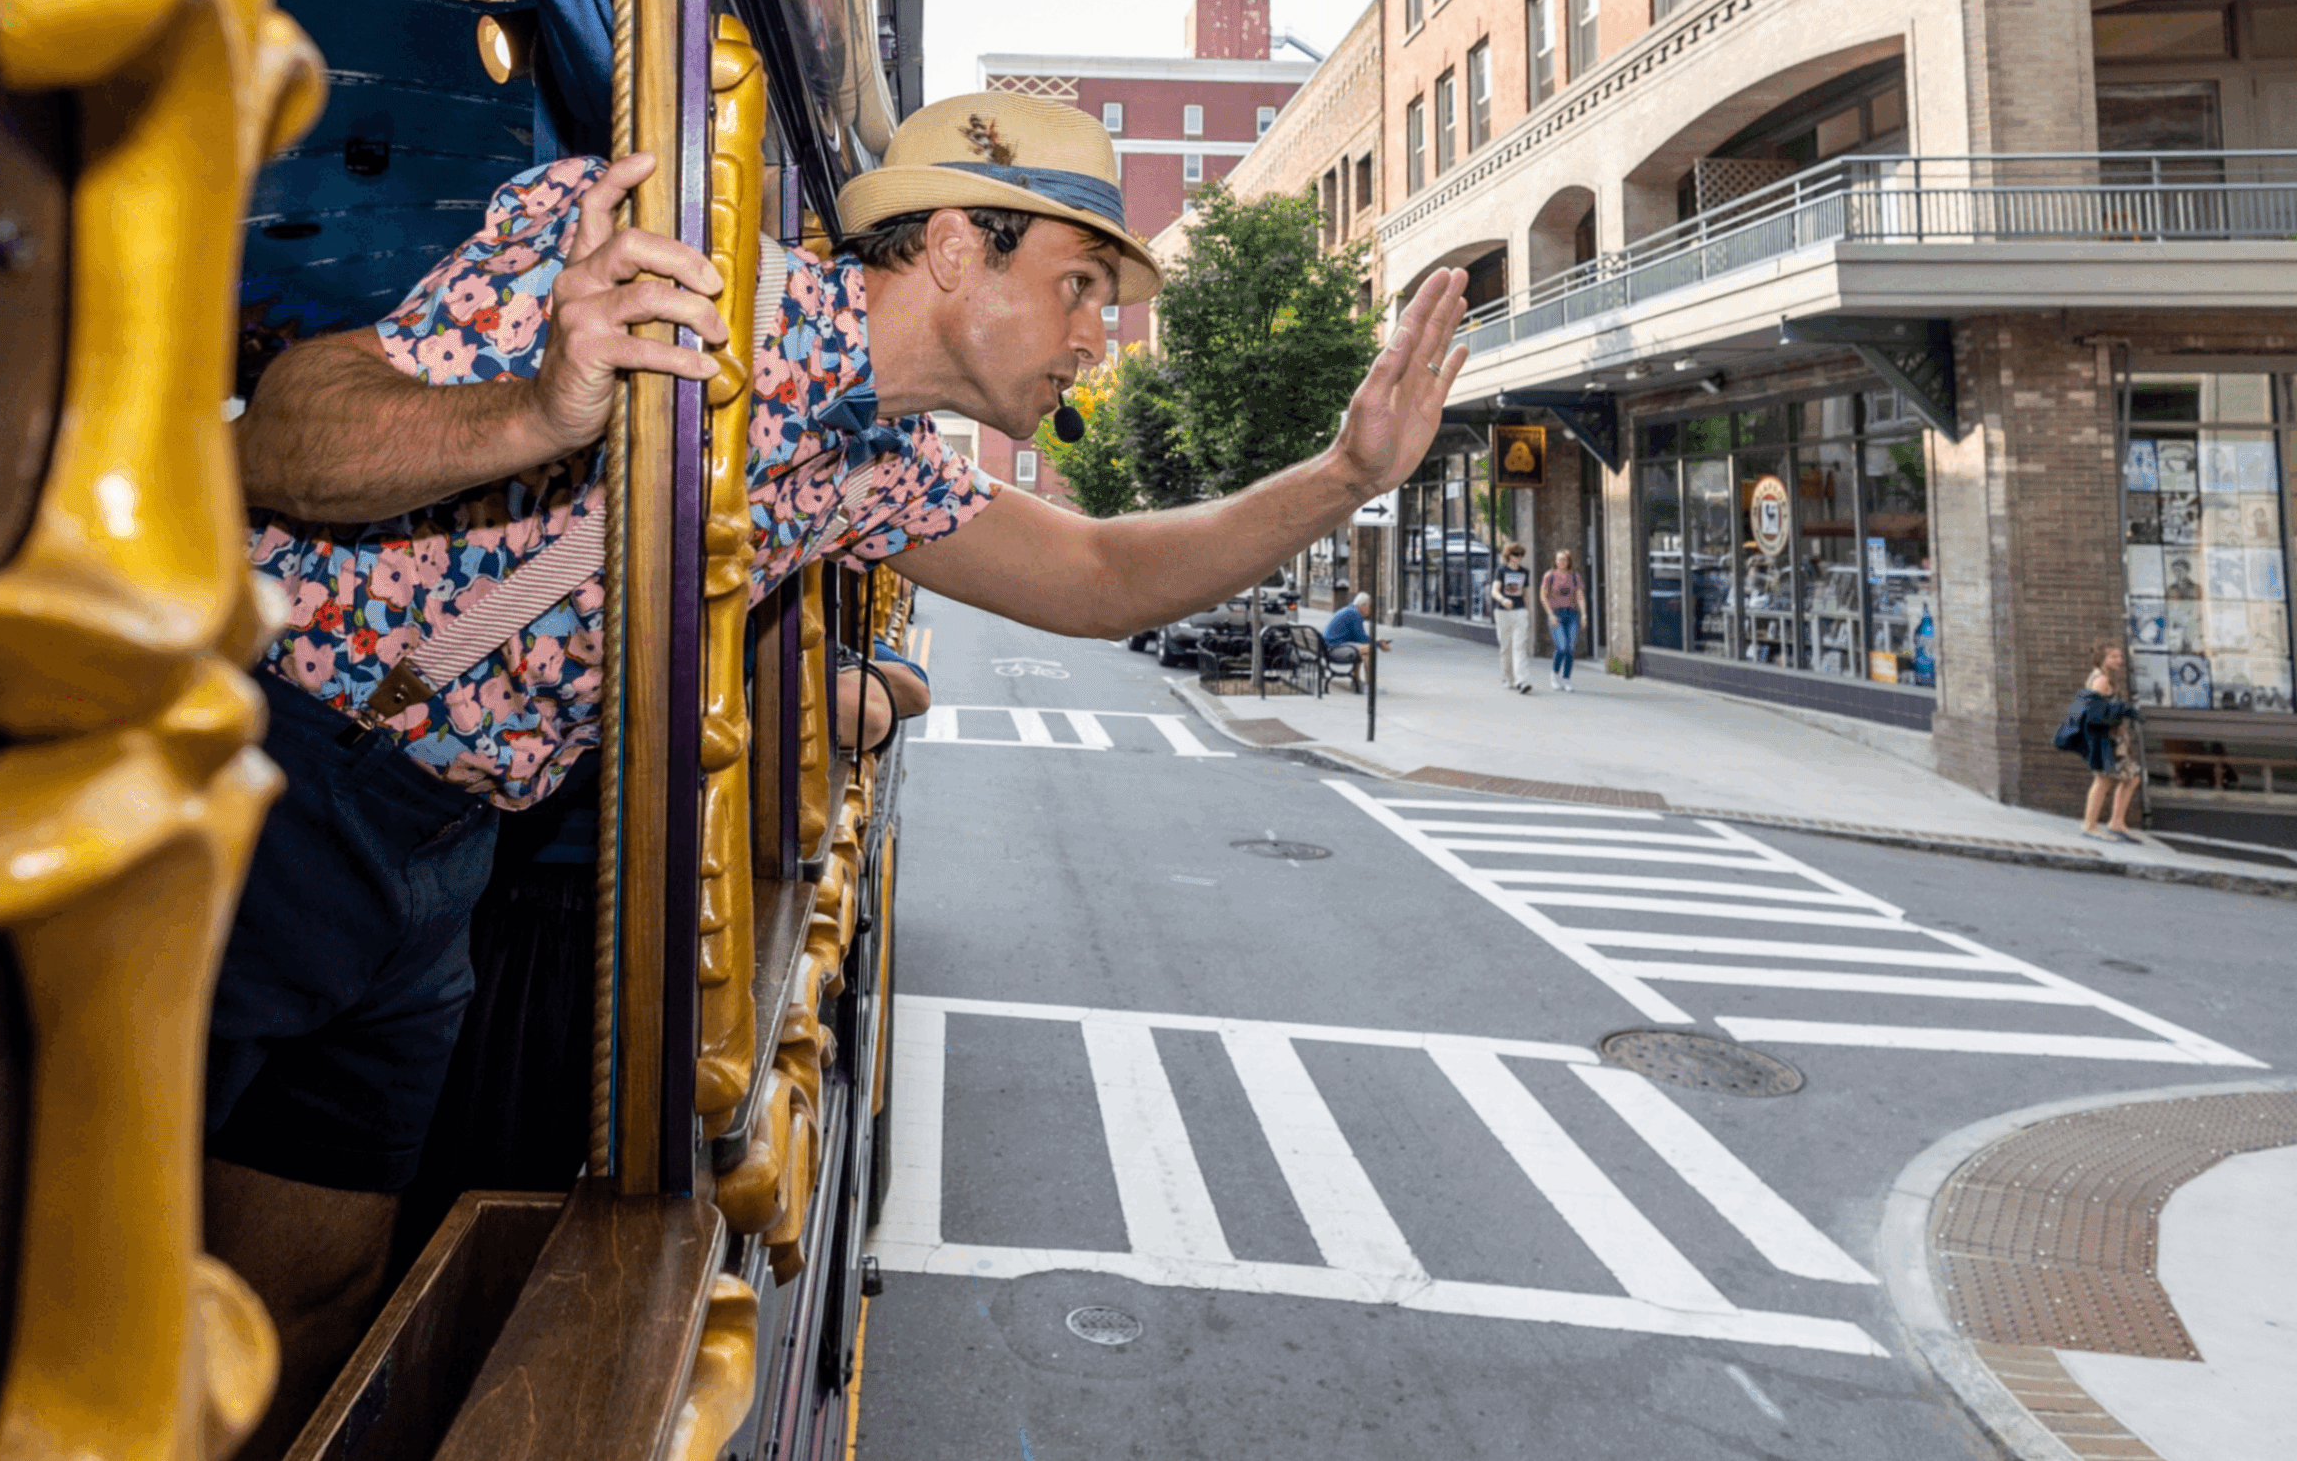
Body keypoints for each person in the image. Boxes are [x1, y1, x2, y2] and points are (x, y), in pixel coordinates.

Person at [213, 89, 1472, 1446]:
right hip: (265, 776)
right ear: (955, 245)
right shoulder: (661, 260)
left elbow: (1101, 575)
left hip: (444, 856)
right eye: (1080, 286)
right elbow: (281, 433)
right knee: (84, 1254)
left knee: (311, 1299)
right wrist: (535, 410)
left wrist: (1345, 475)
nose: (1096, 338)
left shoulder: (871, 466)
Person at [2068, 644, 2142, 841]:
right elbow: (2093, 714)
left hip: (2112, 739)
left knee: (2131, 777)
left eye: (2120, 656)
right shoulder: (2101, 680)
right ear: (2102, 659)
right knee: (2103, 780)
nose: (2119, 660)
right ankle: (2090, 826)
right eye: (2114, 657)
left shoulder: (2101, 677)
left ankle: (2116, 822)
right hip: (2106, 740)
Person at [1490, 541, 1534, 695]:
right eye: (1516, 554)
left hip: (1519, 612)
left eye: (1521, 555)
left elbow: (1526, 594)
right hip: (1503, 612)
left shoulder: (1524, 572)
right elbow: (1494, 591)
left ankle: (1522, 681)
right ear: (1508, 555)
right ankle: (1508, 678)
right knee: (1506, 648)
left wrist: (1527, 612)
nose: (1519, 558)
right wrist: (1503, 600)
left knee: (1519, 647)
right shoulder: (1501, 570)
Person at [1539, 549, 1586, 690]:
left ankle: (1566, 679)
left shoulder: (1575, 577)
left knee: (1570, 648)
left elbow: (1579, 596)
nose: (1561, 562)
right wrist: (1550, 614)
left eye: (1564, 559)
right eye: (1559, 559)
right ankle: (1554, 674)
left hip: (1572, 615)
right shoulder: (1549, 576)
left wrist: (1584, 614)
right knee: (1562, 646)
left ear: (1568, 561)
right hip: (1556, 615)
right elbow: (1543, 596)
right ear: (1555, 561)